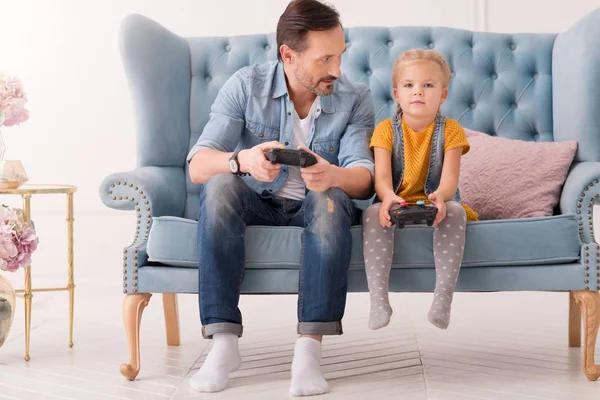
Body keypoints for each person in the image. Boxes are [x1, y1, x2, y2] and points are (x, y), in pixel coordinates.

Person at [186, 0, 375, 396]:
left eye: (340, 56)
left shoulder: (355, 97)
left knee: (329, 197)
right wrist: (242, 160)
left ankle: (308, 351)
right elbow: (198, 165)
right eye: (325, 59)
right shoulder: (245, 85)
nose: (337, 70)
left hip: (320, 206)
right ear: (288, 55)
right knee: (220, 183)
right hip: (259, 205)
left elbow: (364, 180)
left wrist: (333, 174)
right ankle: (224, 345)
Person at [362, 49, 478, 331]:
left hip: (435, 200)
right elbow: (382, 178)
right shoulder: (385, 131)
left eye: (428, 85)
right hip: (397, 200)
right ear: (396, 94)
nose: (418, 92)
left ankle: (442, 299)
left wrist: (441, 196)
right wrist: (388, 197)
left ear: (443, 95)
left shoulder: (451, 130)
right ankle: (378, 300)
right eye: (409, 85)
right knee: (374, 213)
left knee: (454, 212)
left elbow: (450, 177)